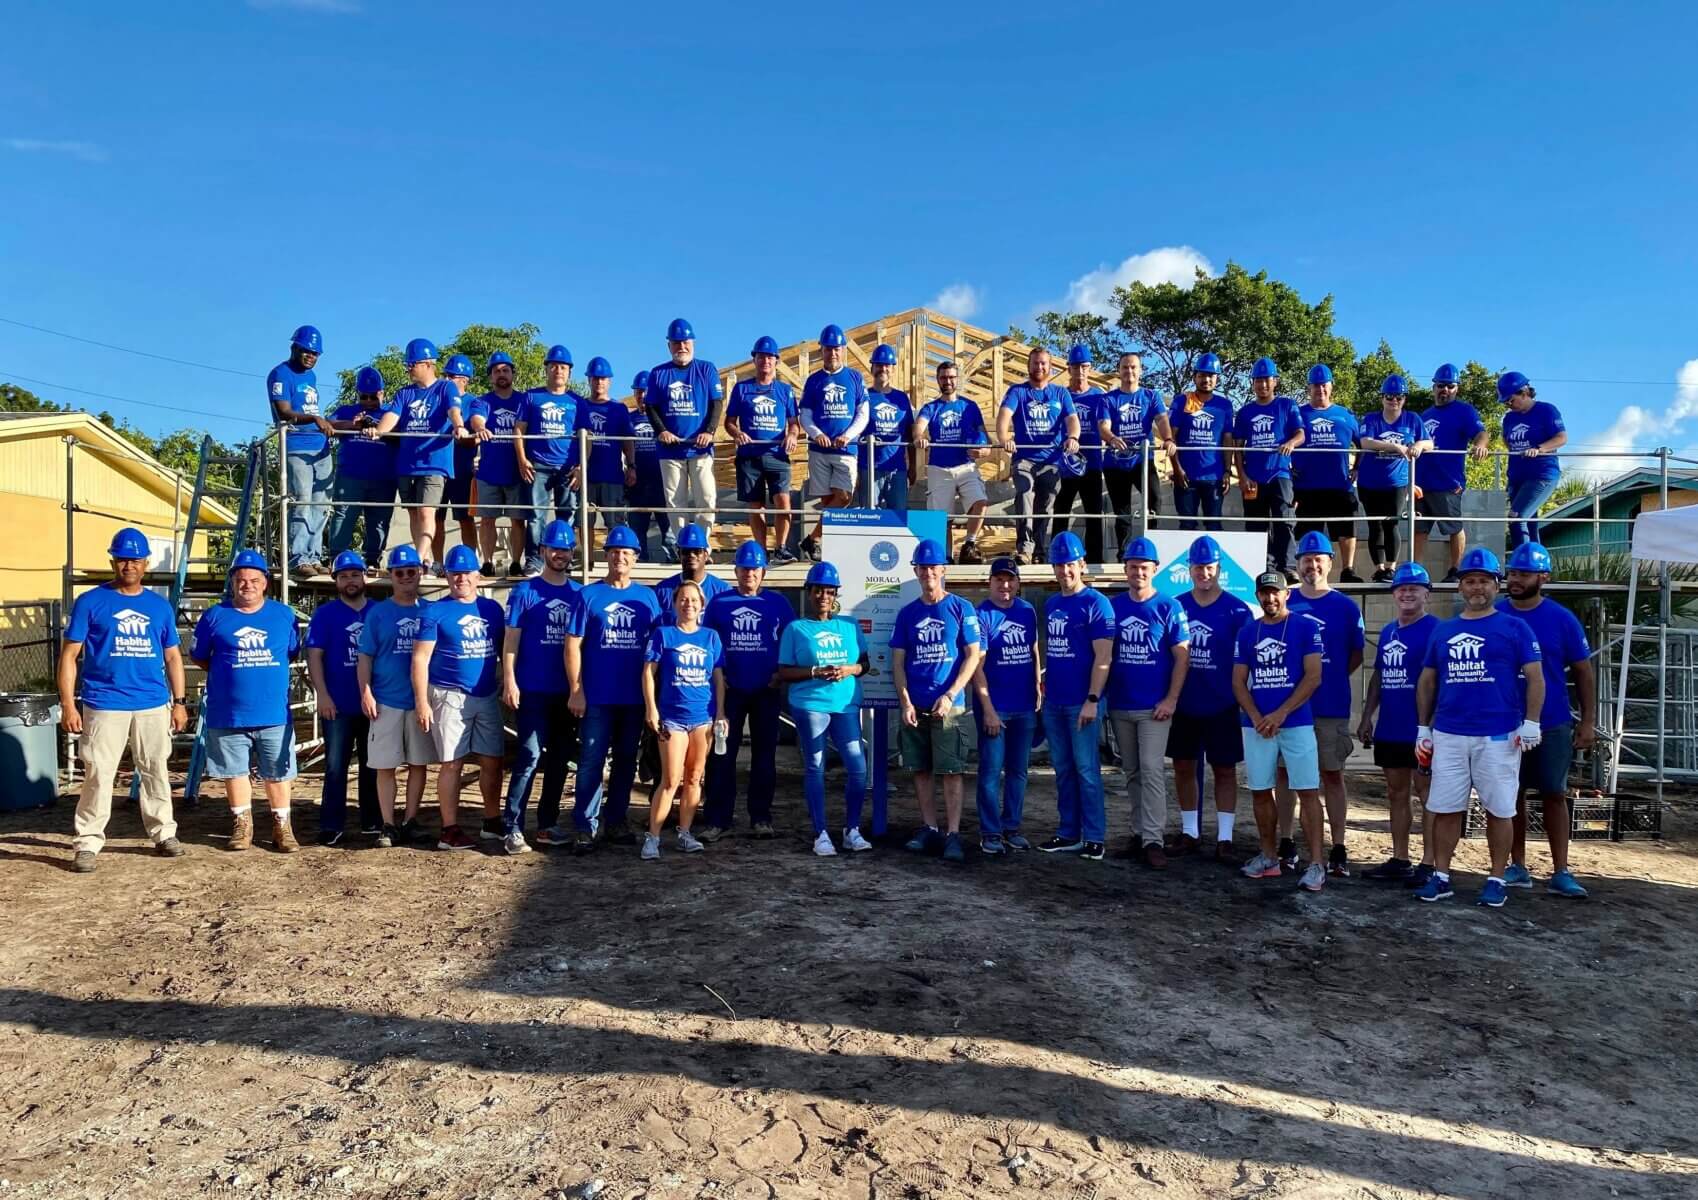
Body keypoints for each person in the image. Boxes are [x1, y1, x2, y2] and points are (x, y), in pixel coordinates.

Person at [1413, 547, 1545, 907]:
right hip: (1450, 733)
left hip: (1499, 734)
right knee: (1445, 807)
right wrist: (1424, 728)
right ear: (1459, 587)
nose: (1476, 588)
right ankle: (1441, 876)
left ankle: (1496, 877)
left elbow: (1535, 677)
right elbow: (1427, 680)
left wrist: (1532, 722)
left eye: (1484, 581)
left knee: (1500, 809)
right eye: (1469, 581)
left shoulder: (1515, 627)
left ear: (1496, 586)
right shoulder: (1445, 631)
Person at [58, 528, 188, 872]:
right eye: (121, 559)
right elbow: (69, 656)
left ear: (146, 563)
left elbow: (173, 657)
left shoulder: (159, 607)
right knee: (98, 773)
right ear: (112, 561)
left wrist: (179, 701)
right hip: (104, 703)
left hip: (151, 703)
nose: (128, 565)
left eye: (134, 559)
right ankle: (87, 841)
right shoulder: (90, 602)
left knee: (156, 769)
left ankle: (163, 833)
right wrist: (69, 704)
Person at [546, 524, 662, 851]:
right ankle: (585, 825)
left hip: (633, 698)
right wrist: (576, 689)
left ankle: (616, 821)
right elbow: (572, 646)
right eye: (613, 552)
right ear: (605, 556)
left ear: (635, 558)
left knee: (626, 760)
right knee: (591, 760)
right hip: (597, 696)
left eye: (625, 553)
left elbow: (656, 650)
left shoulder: (647, 598)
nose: (619, 558)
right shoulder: (588, 595)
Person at [1498, 542, 1595, 897]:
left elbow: (1584, 672)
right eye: (1512, 573)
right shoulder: (1495, 614)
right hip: (1505, 722)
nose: (1516, 579)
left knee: (1554, 793)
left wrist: (1587, 721)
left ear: (1544, 577)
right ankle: (1517, 865)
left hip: (1552, 721)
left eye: (1523, 574)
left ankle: (1561, 870)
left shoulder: (1561, 619)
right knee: (1512, 795)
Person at [191, 549, 302, 853]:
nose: (248, 585)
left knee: (278, 773)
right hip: (228, 713)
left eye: (254, 580)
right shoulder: (215, 615)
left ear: (265, 583)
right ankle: (243, 826)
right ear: (233, 582)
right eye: (242, 580)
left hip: (272, 712)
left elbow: (290, 652)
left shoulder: (283, 615)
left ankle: (282, 827)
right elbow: (201, 657)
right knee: (234, 772)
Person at [890, 537, 983, 863]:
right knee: (920, 770)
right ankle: (929, 827)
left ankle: (953, 833)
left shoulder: (961, 608)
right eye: (922, 567)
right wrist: (905, 702)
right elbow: (898, 662)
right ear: (916, 571)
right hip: (917, 704)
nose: (928, 572)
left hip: (949, 706)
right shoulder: (908, 614)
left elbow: (973, 657)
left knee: (952, 771)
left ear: (943, 569)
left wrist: (951, 693)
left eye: (933, 567)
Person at [1232, 572, 1326, 891]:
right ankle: (1269, 856)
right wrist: (1258, 715)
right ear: (1257, 596)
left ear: (1287, 594)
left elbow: (1313, 676)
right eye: (1264, 593)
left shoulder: (1305, 627)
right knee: (1260, 789)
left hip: (1296, 722)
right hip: (1257, 725)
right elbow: (1237, 681)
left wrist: (1281, 712)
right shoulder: (1248, 632)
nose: (1270, 598)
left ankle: (1316, 863)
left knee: (1307, 789)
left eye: (1275, 592)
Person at [1281, 531, 1366, 876]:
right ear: (1297, 563)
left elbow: (1355, 654)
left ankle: (1339, 847)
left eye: (1318, 559)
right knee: (1285, 775)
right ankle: (1287, 842)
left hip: (1329, 706)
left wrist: (1323, 678)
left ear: (1330, 562)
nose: (1311, 565)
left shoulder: (1345, 607)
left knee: (1332, 775)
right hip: (1289, 708)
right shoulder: (1286, 602)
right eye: (1305, 559)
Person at [411, 543, 504, 851]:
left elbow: (505, 651)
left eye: (466, 574)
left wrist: (506, 682)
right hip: (449, 694)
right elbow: (421, 658)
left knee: (492, 759)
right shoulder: (435, 610)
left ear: (477, 576)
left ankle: (492, 821)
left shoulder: (492, 609)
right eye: (454, 574)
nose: (460, 579)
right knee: (452, 763)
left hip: (486, 693)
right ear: (446, 577)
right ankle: (449, 829)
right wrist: (422, 701)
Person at [777, 561, 871, 856]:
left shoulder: (850, 625)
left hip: (845, 704)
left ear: (835, 594)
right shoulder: (796, 628)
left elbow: (865, 664)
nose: (823, 596)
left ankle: (851, 829)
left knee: (858, 768)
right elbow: (784, 671)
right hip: (810, 704)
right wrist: (816, 671)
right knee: (815, 766)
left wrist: (850, 668)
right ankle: (820, 833)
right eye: (818, 590)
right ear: (809, 592)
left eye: (829, 591)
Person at [701, 541, 794, 841]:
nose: (749, 574)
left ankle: (761, 818)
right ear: (736, 571)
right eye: (744, 568)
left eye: (754, 569)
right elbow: (708, 642)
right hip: (731, 692)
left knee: (764, 756)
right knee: (722, 756)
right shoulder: (719, 603)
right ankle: (718, 820)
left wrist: (782, 673)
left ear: (763, 571)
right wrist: (718, 676)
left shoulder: (779, 603)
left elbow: (792, 641)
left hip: (766, 690)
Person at [1107, 536, 1190, 867]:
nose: (1137, 572)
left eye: (1143, 567)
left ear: (1154, 570)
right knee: (1132, 771)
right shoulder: (1113, 606)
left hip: (1155, 708)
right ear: (1125, 569)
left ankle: (1154, 839)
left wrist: (1171, 699)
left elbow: (1182, 658)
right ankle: (1140, 832)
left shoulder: (1169, 607)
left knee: (1153, 770)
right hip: (1120, 704)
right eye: (1132, 567)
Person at [1169, 535, 1253, 862]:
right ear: (1189, 569)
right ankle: (1190, 832)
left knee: (1225, 770)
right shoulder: (1176, 605)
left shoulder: (1237, 609)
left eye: (1209, 567)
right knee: (1184, 766)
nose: (1204, 573)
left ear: (1218, 568)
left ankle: (1225, 838)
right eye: (1198, 567)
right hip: (1186, 702)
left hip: (1223, 704)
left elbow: (1246, 661)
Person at [501, 520, 582, 855]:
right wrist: (509, 679)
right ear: (543, 550)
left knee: (561, 759)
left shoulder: (578, 593)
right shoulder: (525, 592)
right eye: (555, 549)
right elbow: (511, 642)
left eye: (565, 549)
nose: (560, 554)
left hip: (565, 692)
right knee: (530, 755)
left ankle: (547, 825)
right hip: (532, 689)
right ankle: (513, 827)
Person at [1357, 562, 1439, 884]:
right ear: (1394, 594)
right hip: (1391, 726)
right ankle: (1400, 857)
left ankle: (1430, 862)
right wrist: (1367, 716)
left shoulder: (1435, 630)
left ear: (1426, 595)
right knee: (1395, 791)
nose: (1406, 593)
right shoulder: (1390, 631)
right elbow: (1378, 676)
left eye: (1413, 588)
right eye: (1401, 588)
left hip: (1420, 728)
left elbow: (1441, 682)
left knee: (1427, 792)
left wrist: (1429, 726)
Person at [1035, 532, 1115, 859]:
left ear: (1081, 564)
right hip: (1055, 701)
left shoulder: (1097, 603)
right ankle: (1069, 831)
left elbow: (1104, 657)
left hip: (1083, 703)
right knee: (1064, 769)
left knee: (1087, 770)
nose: (1065, 571)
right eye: (1059, 565)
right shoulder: (1053, 604)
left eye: (1070, 564)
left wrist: (1093, 699)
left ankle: (1094, 836)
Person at [641, 581, 727, 860]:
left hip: (703, 718)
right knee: (670, 779)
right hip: (672, 719)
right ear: (675, 603)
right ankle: (652, 837)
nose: (688, 604)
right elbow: (648, 674)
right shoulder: (663, 635)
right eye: (683, 599)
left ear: (702, 606)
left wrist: (721, 712)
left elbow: (718, 678)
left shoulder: (711, 637)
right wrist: (651, 709)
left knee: (694, 778)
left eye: (694, 600)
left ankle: (685, 833)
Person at [357, 544, 433, 847]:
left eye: (411, 571)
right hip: (386, 700)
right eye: (399, 572)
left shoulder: (430, 610)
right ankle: (388, 824)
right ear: (391, 575)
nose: (405, 577)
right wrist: (366, 692)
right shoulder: (378, 613)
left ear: (420, 573)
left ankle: (411, 819)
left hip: (419, 701)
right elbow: (365, 657)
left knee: (418, 763)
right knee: (385, 766)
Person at [374, 338, 466, 575]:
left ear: (427, 364)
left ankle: (419, 558)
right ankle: (421, 556)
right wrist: (378, 431)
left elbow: (453, 410)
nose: (408, 368)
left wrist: (459, 425)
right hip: (407, 464)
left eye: (411, 364)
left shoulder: (446, 388)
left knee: (427, 511)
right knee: (414, 512)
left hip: (434, 463)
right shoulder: (404, 393)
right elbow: (392, 417)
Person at [971, 557, 1042, 854]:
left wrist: (1038, 686)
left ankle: (1011, 826)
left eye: (1010, 579)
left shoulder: (1026, 611)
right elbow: (977, 665)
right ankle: (990, 832)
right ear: (990, 582)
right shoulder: (981, 615)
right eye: (999, 579)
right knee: (990, 771)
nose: (1005, 585)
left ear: (1017, 583)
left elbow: (1034, 649)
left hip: (1024, 704)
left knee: (1018, 770)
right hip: (995, 707)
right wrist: (987, 708)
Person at [305, 551, 377, 845]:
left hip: (372, 702)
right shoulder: (325, 615)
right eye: (344, 576)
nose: (350, 580)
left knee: (373, 766)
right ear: (335, 581)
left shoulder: (378, 611)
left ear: (364, 577)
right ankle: (331, 823)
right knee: (335, 766)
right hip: (338, 704)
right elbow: (314, 656)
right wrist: (322, 695)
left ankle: (372, 820)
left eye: (355, 575)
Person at [645, 317, 724, 548]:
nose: (682, 347)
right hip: (670, 450)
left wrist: (709, 431)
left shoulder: (706, 369)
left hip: (700, 449)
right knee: (675, 502)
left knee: (707, 499)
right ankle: (684, 546)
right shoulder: (658, 373)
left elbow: (716, 403)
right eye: (676, 343)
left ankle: (701, 546)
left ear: (693, 342)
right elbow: (650, 406)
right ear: (669, 345)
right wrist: (661, 431)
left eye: (685, 342)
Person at [998, 348, 1080, 564]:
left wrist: (1073, 437)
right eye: (1035, 363)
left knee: (1046, 503)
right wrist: (1004, 437)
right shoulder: (1018, 392)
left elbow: (1072, 419)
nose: (1039, 367)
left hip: (1051, 460)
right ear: (1029, 365)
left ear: (1050, 367)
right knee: (1024, 491)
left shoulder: (1060, 393)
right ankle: (1025, 548)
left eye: (1043, 363)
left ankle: (1040, 550)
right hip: (1024, 458)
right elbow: (1004, 415)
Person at [269, 324, 336, 577]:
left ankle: (314, 555)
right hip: (297, 445)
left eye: (315, 353)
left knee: (321, 504)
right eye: (306, 351)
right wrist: (315, 419)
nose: (311, 356)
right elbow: (284, 412)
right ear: (294, 348)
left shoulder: (311, 377)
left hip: (319, 446)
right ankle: (298, 557)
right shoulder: (281, 374)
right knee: (303, 501)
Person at [1413, 363, 1490, 582]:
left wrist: (1480, 445)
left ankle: (1455, 570)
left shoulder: (1464, 411)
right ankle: (1416, 571)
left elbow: (1481, 433)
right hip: (1420, 483)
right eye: (1441, 385)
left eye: (1450, 386)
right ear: (1434, 387)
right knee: (1419, 529)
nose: (1444, 390)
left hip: (1448, 482)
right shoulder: (1424, 415)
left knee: (1454, 527)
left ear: (1456, 389)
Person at [726, 334, 801, 559]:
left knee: (783, 501)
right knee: (755, 505)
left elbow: (794, 423)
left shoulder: (785, 391)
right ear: (754, 360)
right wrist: (737, 433)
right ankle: (761, 550)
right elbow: (729, 422)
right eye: (761, 357)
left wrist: (793, 435)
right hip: (749, 456)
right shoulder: (741, 389)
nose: (765, 361)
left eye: (770, 357)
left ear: (776, 361)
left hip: (777, 455)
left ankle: (781, 547)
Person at [799, 323, 870, 561]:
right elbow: (805, 414)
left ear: (843, 349)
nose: (833, 353)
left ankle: (813, 538)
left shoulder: (854, 377)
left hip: (845, 449)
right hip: (819, 450)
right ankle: (820, 545)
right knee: (827, 499)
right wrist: (816, 433)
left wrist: (848, 435)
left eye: (837, 348)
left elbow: (863, 413)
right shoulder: (814, 380)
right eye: (828, 349)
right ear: (822, 350)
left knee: (844, 496)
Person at [1231, 357, 1305, 580]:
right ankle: (1261, 566)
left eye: (1266, 380)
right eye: (1257, 381)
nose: (1262, 385)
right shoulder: (1244, 412)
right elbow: (1237, 447)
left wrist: (1291, 443)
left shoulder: (1286, 405)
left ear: (1275, 382)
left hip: (1280, 474)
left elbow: (1300, 434)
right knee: (1256, 524)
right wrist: (1241, 476)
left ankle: (1288, 566)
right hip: (1253, 477)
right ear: (1252, 383)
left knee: (1284, 520)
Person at [1354, 375, 1431, 582]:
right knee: (1375, 525)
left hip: (1397, 482)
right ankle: (1378, 568)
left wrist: (1418, 445)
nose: (1394, 401)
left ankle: (1391, 567)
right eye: (1389, 396)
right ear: (1382, 398)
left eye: (1399, 397)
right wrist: (1395, 446)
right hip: (1369, 482)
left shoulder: (1412, 419)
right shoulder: (1372, 418)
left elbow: (1429, 442)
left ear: (1404, 399)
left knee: (1392, 524)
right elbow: (1366, 443)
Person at [513, 344, 581, 576]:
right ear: (547, 369)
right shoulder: (532, 396)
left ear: (569, 372)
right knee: (535, 516)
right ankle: (534, 560)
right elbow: (519, 430)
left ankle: (566, 558)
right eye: (553, 366)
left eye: (562, 367)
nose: (558, 371)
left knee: (567, 513)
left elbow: (586, 438)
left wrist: (581, 466)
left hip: (567, 468)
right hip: (537, 466)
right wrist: (522, 459)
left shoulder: (577, 401)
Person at [914, 360, 990, 563]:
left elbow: (984, 436)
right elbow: (919, 428)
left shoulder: (970, 406)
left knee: (980, 501)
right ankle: (944, 556)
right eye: (943, 377)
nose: (947, 381)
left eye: (951, 377)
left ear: (958, 379)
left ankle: (969, 546)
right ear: (938, 380)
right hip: (939, 468)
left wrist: (984, 450)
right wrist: (920, 437)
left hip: (966, 466)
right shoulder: (931, 407)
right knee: (941, 519)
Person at [1293, 364, 1362, 583]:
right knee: (1307, 534)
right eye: (1315, 385)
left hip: (1339, 484)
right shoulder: (1298, 413)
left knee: (1346, 528)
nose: (1320, 389)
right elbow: (1285, 441)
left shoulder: (1345, 415)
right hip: (1306, 486)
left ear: (1331, 386)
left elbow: (1362, 444)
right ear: (1309, 388)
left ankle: (1347, 570)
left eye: (1324, 385)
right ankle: (1307, 574)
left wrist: (1357, 467)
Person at [1099, 350, 1172, 549]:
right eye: (1125, 367)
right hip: (1115, 463)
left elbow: (1161, 419)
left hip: (1142, 461)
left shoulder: (1150, 396)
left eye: (1133, 367)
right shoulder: (1108, 399)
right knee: (1122, 511)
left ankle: (1151, 548)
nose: (1129, 371)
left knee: (1155, 501)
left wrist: (1167, 439)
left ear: (1140, 371)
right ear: (1118, 371)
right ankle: (1124, 554)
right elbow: (1103, 426)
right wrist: (1112, 438)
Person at [325, 366, 397, 566]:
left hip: (384, 478)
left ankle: (373, 560)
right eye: (363, 397)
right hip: (350, 475)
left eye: (373, 397)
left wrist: (378, 425)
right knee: (344, 515)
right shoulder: (346, 411)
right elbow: (328, 425)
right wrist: (353, 425)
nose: (368, 401)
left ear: (381, 393)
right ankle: (336, 558)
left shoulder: (391, 412)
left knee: (379, 521)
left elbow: (402, 430)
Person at [466, 351, 528, 577]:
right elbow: (476, 419)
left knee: (518, 520)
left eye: (505, 370)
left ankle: (516, 563)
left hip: (517, 472)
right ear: (491, 376)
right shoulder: (482, 401)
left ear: (512, 373)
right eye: (496, 371)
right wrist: (480, 427)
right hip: (489, 472)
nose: (501, 374)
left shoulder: (524, 400)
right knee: (487, 519)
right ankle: (487, 562)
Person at [1499, 372, 1568, 550]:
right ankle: (1534, 566)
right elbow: (1507, 440)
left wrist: (1539, 449)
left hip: (1541, 475)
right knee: (1529, 523)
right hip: (1517, 477)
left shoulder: (1546, 410)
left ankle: (1523, 564)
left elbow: (1561, 438)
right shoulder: (1509, 418)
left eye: (1511, 400)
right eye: (1506, 402)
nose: (1509, 405)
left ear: (1524, 393)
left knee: (1516, 517)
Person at [1051, 345, 1107, 561]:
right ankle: (1057, 555)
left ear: (1090, 368)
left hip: (1092, 463)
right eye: (1076, 367)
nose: (1080, 371)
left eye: (1084, 366)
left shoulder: (1098, 396)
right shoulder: (1061, 395)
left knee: (1093, 513)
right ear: (1069, 369)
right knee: (1061, 510)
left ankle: (1095, 559)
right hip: (1066, 465)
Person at [578, 356, 637, 538]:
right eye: (595, 378)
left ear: (609, 381)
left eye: (603, 378)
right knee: (585, 523)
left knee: (616, 524)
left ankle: (615, 560)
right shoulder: (581, 406)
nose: (599, 382)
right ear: (589, 380)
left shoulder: (619, 409)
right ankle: (588, 563)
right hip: (586, 477)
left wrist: (631, 467)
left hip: (612, 477)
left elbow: (627, 441)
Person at [434, 353, 480, 566]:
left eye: (451, 376)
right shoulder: (436, 400)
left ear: (464, 379)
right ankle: (436, 563)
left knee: (465, 518)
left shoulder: (473, 403)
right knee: (436, 518)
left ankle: (471, 562)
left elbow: (476, 438)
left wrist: (465, 439)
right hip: (437, 468)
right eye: (445, 375)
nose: (446, 379)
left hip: (461, 470)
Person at [625, 369, 675, 563]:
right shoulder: (629, 419)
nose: (642, 396)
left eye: (645, 391)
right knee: (637, 533)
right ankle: (639, 570)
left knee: (670, 532)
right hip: (637, 484)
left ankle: (675, 565)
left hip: (662, 481)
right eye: (638, 392)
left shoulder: (664, 418)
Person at [866, 344, 915, 514]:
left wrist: (913, 466)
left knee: (899, 516)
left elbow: (909, 433)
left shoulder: (901, 398)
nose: (883, 369)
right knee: (870, 516)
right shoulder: (864, 396)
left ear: (893, 369)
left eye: (887, 365)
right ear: (872, 367)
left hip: (897, 469)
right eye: (879, 365)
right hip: (869, 468)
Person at [656, 523, 730, 616]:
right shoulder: (662, 590)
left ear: (706, 555)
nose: (691, 555)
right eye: (686, 552)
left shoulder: (722, 590)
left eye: (697, 551)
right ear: (679, 555)